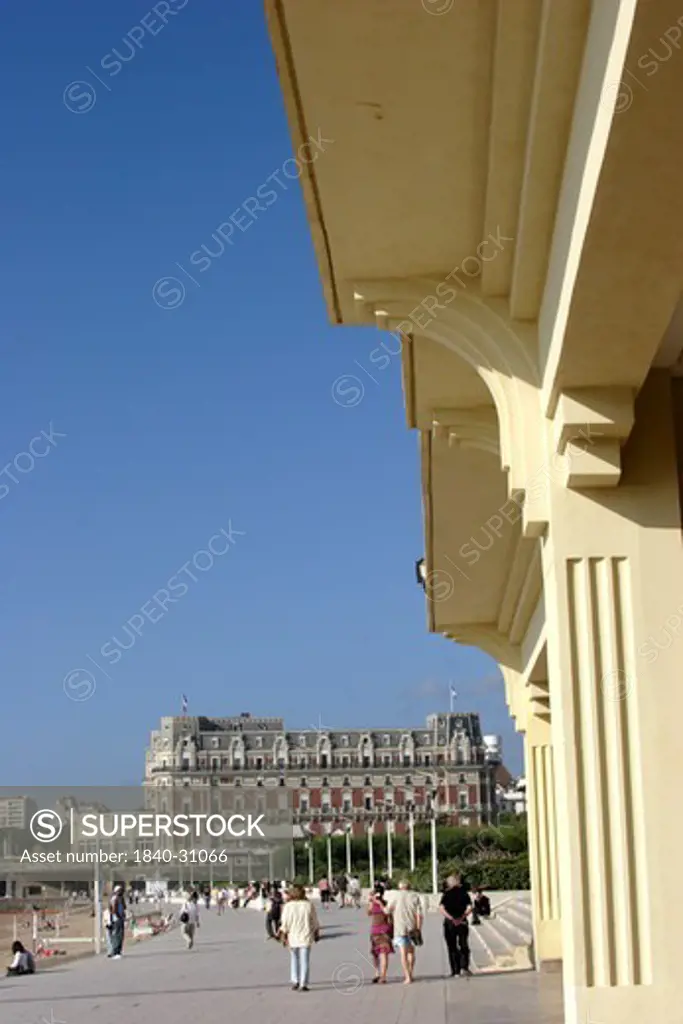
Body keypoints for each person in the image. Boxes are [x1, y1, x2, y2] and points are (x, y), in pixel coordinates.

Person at [278, 885, 320, 991]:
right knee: (305, 960)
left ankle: (295, 980)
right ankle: (303, 983)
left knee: (294, 959)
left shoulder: (288, 906)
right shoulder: (308, 905)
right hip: (305, 935)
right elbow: (314, 921)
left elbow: (285, 923)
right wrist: (316, 933)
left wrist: (283, 935)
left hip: (292, 936)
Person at [384, 880, 423, 985]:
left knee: (403, 953)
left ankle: (407, 976)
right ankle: (410, 972)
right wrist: (419, 928)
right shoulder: (415, 896)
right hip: (412, 928)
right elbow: (419, 914)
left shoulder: (396, 896)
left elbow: (387, 910)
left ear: (400, 887)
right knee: (411, 952)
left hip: (400, 928)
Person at [439, 874, 472, 978]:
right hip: (462, 922)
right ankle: (464, 967)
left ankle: (455, 970)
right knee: (463, 944)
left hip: (450, 923)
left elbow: (441, 908)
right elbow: (470, 907)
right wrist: (462, 917)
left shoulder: (446, 894)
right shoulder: (464, 893)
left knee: (452, 946)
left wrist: (451, 918)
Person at [367, 887, 393, 983]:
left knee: (383, 953)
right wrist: (370, 902)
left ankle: (383, 976)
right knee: (375, 954)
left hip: (384, 931)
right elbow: (368, 913)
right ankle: (377, 973)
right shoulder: (372, 903)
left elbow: (387, 913)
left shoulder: (385, 903)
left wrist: (380, 903)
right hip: (375, 931)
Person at [108, 885, 126, 959]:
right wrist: (119, 916)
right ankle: (116, 952)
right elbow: (113, 909)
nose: (121, 892)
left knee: (120, 935)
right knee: (117, 935)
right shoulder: (115, 899)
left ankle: (118, 951)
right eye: (119, 890)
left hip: (119, 918)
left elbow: (124, 907)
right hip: (117, 919)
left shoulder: (120, 898)